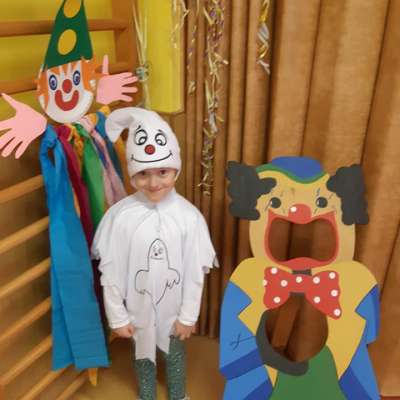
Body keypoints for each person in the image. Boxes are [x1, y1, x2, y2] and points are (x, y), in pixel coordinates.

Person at [91, 107, 218, 400]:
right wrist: (118, 316)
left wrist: (188, 316)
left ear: (176, 169)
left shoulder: (189, 218)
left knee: (175, 357)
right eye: (143, 174)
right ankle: (146, 395)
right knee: (143, 359)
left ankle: (178, 395)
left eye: (163, 172)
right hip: (137, 313)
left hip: (174, 314)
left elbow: (194, 273)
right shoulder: (119, 217)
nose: (153, 183)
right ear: (132, 174)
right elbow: (111, 272)